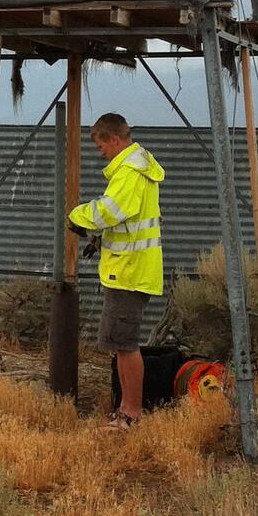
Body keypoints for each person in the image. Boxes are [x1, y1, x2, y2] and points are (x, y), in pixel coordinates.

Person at [67, 113, 165, 426]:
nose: (100, 152)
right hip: (129, 270)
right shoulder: (137, 168)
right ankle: (125, 409)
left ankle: (131, 414)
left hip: (129, 272)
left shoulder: (130, 171)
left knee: (126, 345)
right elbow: (126, 221)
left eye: (100, 146)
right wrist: (98, 237)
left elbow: (111, 211)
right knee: (121, 345)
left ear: (115, 139)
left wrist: (77, 217)